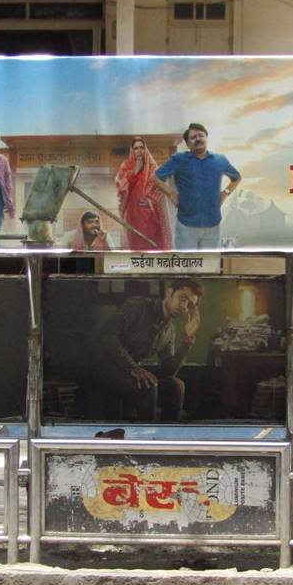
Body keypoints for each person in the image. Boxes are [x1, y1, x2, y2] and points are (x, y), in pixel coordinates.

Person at [76, 279, 203, 422]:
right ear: (169, 293)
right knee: (147, 386)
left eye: (189, 304)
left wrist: (186, 343)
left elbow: (169, 370)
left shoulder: (170, 331)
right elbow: (107, 334)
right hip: (101, 366)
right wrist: (135, 368)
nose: (184, 306)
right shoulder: (138, 305)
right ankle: (147, 437)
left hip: (127, 371)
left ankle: (167, 436)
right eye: (182, 298)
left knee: (177, 385)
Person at [155, 122, 240, 251]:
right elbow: (157, 177)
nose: (198, 139)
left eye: (201, 135)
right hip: (186, 226)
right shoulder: (179, 160)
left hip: (213, 226)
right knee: (186, 267)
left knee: (209, 268)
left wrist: (224, 194)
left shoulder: (220, 160)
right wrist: (171, 193)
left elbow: (236, 178)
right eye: (193, 137)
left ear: (206, 137)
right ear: (188, 144)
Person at [115, 137, 172, 251]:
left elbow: (160, 190)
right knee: (135, 246)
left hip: (150, 215)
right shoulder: (126, 166)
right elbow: (121, 189)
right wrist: (136, 171)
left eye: (142, 147)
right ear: (132, 150)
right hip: (132, 215)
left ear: (145, 149)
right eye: (136, 148)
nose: (139, 151)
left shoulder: (153, 168)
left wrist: (151, 201)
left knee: (152, 245)